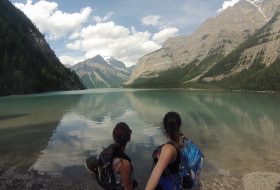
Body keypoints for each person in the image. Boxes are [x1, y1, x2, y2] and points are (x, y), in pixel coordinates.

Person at [145, 112, 195, 190]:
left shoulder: (168, 149)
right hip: (177, 183)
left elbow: (156, 175)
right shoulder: (183, 140)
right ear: (179, 126)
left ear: (164, 127)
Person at [85, 122, 138, 190]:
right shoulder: (124, 164)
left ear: (114, 136)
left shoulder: (106, 153)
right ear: (129, 138)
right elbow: (127, 187)